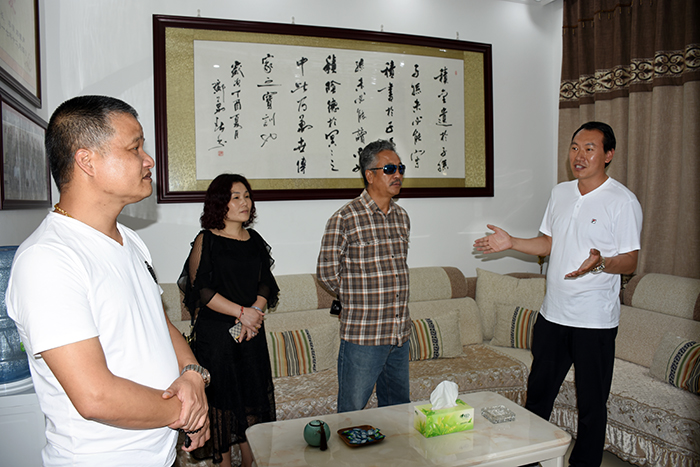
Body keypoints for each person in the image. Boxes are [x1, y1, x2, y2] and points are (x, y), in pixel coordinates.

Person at [6, 95, 210, 467]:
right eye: (135, 148)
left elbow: (159, 325)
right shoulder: (48, 259)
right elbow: (95, 396)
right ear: (87, 161)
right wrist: (188, 411)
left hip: (160, 452)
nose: (148, 160)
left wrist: (193, 375)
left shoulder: (129, 240)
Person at [474, 122, 643, 466]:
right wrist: (512, 242)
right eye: (574, 147)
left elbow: (630, 261)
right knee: (538, 397)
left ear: (608, 155)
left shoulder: (622, 201)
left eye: (589, 149)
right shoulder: (561, 193)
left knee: (591, 406)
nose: (579, 156)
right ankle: (528, 460)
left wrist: (601, 263)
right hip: (552, 315)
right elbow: (548, 243)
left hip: (594, 321)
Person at [179, 173, 279, 467]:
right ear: (220, 202)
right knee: (221, 406)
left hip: (250, 334)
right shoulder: (206, 239)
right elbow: (202, 290)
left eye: (247, 196)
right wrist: (241, 313)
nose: (244, 202)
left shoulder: (254, 240)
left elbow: (266, 283)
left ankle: (251, 462)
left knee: (253, 401)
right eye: (236, 197)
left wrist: (254, 313)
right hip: (217, 339)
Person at [317, 139, 411, 413]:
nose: (397, 175)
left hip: (399, 334)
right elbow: (326, 271)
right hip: (364, 335)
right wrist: (357, 298)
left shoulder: (402, 217)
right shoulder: (345, 218)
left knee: (398, 410)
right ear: (369, 175)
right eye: (389, 169)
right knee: (352, 413)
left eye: (400, 168)